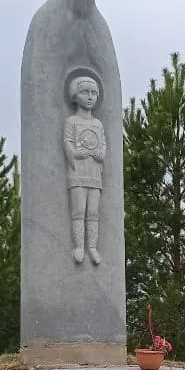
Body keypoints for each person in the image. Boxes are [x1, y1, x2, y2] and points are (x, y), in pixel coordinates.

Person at [63, 73, 105, 264]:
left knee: (94, 213)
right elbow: (67, 142)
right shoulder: (71, 121)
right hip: (78, 172)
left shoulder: (98, 124)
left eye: (93, 93)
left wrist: (100, 154)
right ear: (75, 95)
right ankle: (79, 246)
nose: (90, 96)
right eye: (85, 92)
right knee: (79, 211)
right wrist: (74, 153)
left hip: (94, 173)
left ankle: (93, 247)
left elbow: (103, 144)